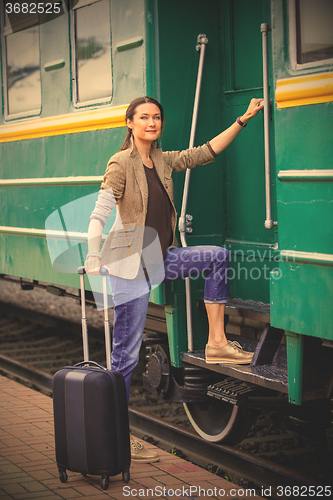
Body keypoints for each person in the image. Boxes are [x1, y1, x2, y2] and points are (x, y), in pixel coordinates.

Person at [84, 96, 264, 462]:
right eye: (144, 117)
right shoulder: (121, 163)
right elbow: (99, 212)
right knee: (125, 358)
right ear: (130, 123)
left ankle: (216, 342)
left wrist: (242, 120)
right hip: (129, 267)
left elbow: (205, 152)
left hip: (160, 259)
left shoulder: (162, 161)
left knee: (217, 257)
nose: (152, 122)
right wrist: (92, 251)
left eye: (157, 117)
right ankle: (116, 439)